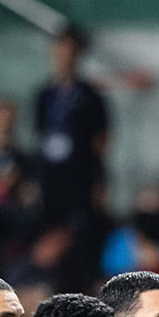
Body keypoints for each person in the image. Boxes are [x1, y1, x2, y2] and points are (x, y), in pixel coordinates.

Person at [34, 26, 111, 226]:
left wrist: (99, 180)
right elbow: (40, 138)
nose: (64, 59)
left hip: (80, 178)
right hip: (51, 178)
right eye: (60, 52)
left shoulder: (90, 96)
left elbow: (101, 142)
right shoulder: (44, 95)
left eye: (70, 53)